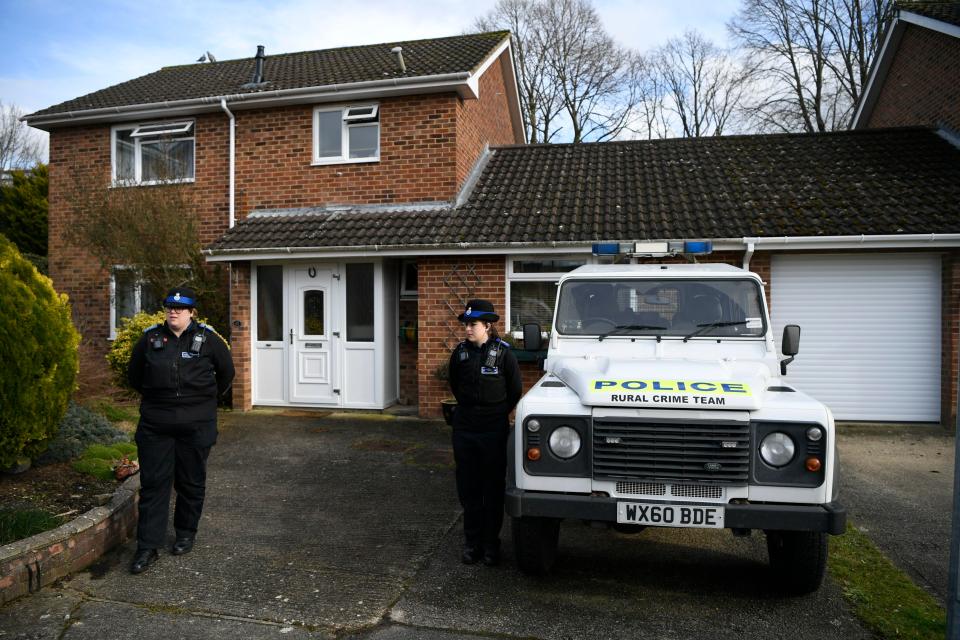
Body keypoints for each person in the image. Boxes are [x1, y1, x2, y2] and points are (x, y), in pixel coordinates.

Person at [127, 286, 235, 574]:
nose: (174, 311)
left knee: (190, 482)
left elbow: (227, 374)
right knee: (154, 485)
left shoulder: (209, 340)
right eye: (170, 307)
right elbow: (135, 376)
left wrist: (202, 403)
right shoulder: (150, 339)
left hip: (196, 426)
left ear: (191, 312)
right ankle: (147, 547)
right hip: (156, 425)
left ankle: (186, 534)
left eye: (181, 308)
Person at [447, 299, 522, 566]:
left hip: (493, 429)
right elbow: (455, 384)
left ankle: (491, 545)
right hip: (465, 428)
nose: (467, 329)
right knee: (469, 489)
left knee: (491, 489)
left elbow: (514, 391)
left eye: (472, 324)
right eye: (466, 324)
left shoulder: (503, 354)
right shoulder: (460, 354)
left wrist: (495, 413)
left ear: (487, 325)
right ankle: (472, 543)